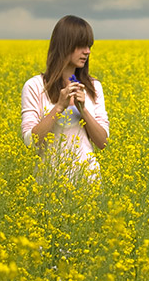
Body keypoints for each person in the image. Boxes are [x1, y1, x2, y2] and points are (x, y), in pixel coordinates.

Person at [21, 15, 109, 184]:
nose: (88, 51)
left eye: (89, 46)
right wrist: (59, 107)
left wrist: (83, 110)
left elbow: (102, 142)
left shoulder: (93, 87)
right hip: (48, 184)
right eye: (82, 45)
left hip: (88, 182)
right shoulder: (35, 86)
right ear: (65, 45)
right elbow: (31, 142)